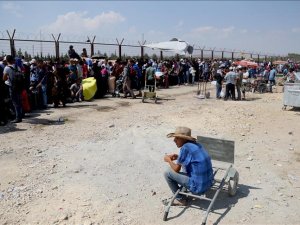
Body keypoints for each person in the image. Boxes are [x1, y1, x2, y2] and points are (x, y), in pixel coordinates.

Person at [164, 127, 213, 206]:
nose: (174, 140)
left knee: (167, 173)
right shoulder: (197, 144)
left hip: (198, 187)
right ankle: (184, 190)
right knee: (184, 166)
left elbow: (176, 169)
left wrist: (168, 160)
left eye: (177, 138)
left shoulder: (185, 148)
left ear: (183, 139)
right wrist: (179, 157)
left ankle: (180, 199)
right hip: (209, 182)